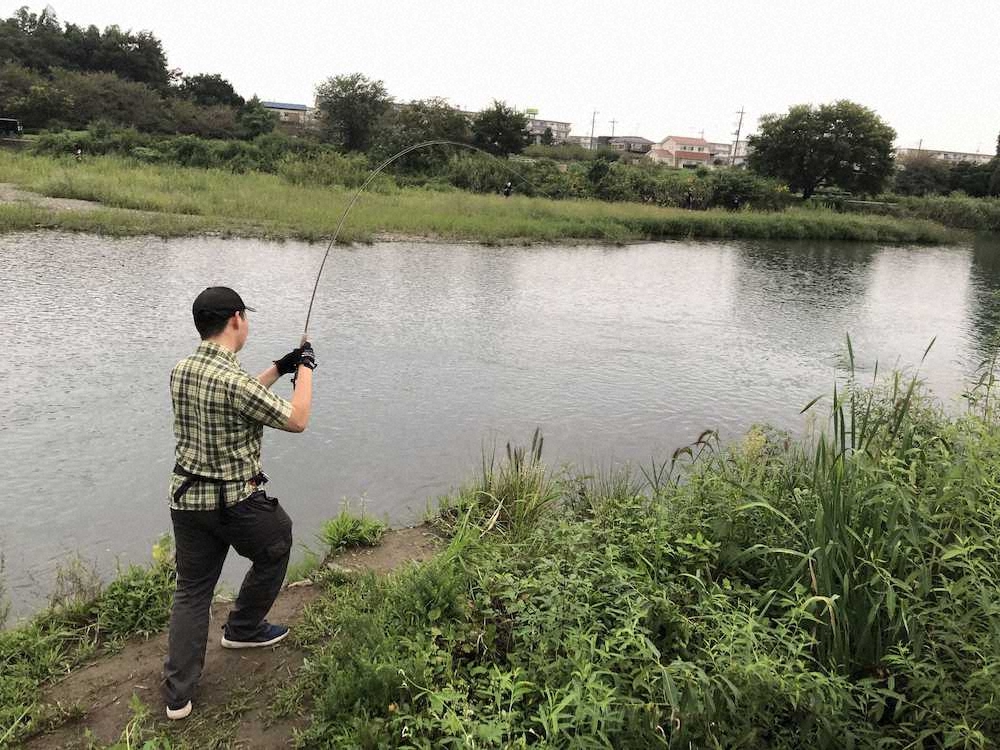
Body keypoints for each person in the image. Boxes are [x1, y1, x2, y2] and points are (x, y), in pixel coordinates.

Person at [162, 286, 316, 721]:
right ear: (235, 320)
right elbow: (297, 419)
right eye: (245, 317)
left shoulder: (182, 369)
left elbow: (241, 397)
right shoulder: (232, 381)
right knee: (277, 539)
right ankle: (244, 628)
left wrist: (280, 366)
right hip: (235, 503)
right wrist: (305, 368)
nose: (246, 323)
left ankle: (178, 697)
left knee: (191, 591)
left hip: (188, 501)